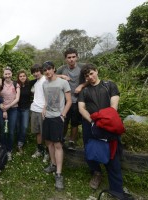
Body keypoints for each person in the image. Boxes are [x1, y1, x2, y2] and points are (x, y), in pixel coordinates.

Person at [78, 64, 132, 199]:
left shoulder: (109, 85)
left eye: (91, 73)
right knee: (90, 150)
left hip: (109, 126)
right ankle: (96, 173)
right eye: (87, 76)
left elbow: (114, 107)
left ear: (96, 71)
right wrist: (92, 121)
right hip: (91, 125)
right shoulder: (84, 91)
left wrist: (102, 121)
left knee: (113, 156)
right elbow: (81, 108)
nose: (90, 77)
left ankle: (116, 189)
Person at [42, 61, 72, 190]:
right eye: (45, 70)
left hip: (57, 118)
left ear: (54, 69)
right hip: (47, 117)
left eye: (49, 69)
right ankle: (53, 164)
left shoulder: (63, 83)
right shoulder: (44, 84)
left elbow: (69, 100)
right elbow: (47, 99)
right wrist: (44, 108)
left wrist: (63, 115)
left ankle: (59, 174)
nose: (47, 72)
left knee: (58, 144)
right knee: (48, 142)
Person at [56, 48, 86, 150]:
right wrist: (62, 76)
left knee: (75, 122)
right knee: (63, 120)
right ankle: (62, 138)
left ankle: (72, 141)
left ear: (77, 57)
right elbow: (52, 75)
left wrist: (81, 85)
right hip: (65, 100)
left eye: (73, 57)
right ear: (65, 59)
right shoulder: (62, 68)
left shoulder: (82, 67)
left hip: (78, 100)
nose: (71, 59)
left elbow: (91, 78)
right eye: (69, 57)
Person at [0, 66, 20, 161]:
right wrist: (4, 109)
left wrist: (8, 107)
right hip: (1, 109)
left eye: (9, 74)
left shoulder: (16, 84)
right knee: (3, 130)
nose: (7, 75)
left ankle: (9, 150)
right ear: (3, 74)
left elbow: (17, 98)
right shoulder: (0, 83)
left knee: (10, 131)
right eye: (5, 74)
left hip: (13, 109)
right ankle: (3, 149)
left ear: (11, 74)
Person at [30, 64, 49, 162]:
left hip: (42, 110)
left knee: (44, 132)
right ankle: (39, 149)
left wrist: (45, 108)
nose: (35, 74)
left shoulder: (45, 80)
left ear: (41, 71)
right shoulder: (36, 82)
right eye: (33, 72)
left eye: (37, 71)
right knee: (37, 132)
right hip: (34, 109)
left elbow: (48, 96)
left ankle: (47, 152)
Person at [16, 69, 32, 154]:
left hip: (26, 109)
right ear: (18, 77)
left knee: (25, 127)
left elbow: (41, 78)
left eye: (24, 76)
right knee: (18, 127)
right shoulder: (16, 85)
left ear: (26, 76)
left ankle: (20, 142)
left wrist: (60, 76)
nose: (22, 77)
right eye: (20, 76)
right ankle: (19, 143)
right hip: (17, 109)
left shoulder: (29, 84)